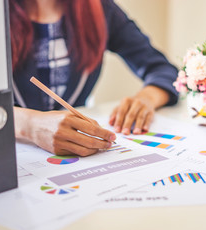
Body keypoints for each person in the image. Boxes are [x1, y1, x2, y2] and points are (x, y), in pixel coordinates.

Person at [10, 0, 178, 156]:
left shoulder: (101, 9)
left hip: (76, 158)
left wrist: (147, 99)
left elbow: (163, 69)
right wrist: (29, 125)